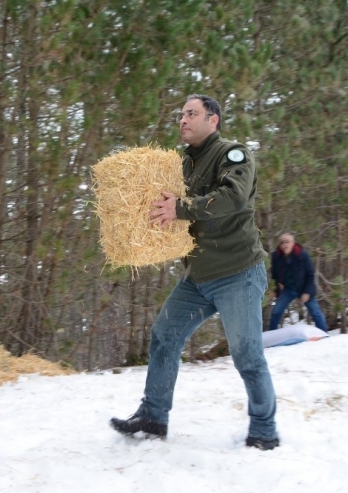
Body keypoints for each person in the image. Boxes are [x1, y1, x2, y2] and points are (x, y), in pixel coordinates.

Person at [109, 94, 279, 450]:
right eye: (181, 114)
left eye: (191, 113)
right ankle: (153, 417)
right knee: (164, 336)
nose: (183, 120)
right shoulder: (182, 163)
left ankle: (264, 430)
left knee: (247, 354)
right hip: (197, 277)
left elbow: (231, 198)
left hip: (238, 273)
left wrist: (181, 207)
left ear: (213, 120)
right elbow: (168, 209)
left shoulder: (234, 154)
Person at [268, 233, 329, 333]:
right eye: (282, 243)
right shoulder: (276, 257)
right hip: (288, 289)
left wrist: (307, 292)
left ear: (293, 243)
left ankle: (324, 334)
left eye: (287, 242)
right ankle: (271, 337)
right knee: (276, 312)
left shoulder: (302, 255)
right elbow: (275, 277)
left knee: (316, 312)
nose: (284, 245)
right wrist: (276, 290)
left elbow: (310, 275)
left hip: (303, 287)